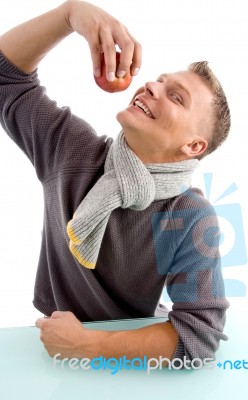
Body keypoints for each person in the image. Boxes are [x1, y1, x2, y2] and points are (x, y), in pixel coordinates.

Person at [0, 0, 230, 365]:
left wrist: (90, 347)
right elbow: (6, 75)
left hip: (138, 364)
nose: (152, 87)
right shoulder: (71, 152)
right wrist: (70, 13)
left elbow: (200, 335)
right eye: (159, 80)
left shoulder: (190, 215)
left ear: (193, 146)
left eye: (176, 97)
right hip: (51, 350)